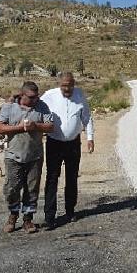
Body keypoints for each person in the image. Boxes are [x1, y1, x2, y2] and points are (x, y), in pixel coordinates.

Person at [0, 81, 54, 234]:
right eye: (32, 97)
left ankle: (28, 219)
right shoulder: (10, 107)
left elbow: (50, 126)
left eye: (36, 96)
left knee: (32, 189)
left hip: (34, 156)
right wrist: (18, 128)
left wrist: (36, 126)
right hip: (14, 156)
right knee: (11, 189)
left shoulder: (41, 106)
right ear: (22, 95)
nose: (35, 100)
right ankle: (13, 215)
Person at [40, 71, 94, 229]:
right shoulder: (49, 95)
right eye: (64, 86)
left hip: (73, 143)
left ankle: (70, 211)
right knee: (52, 178)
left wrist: (90, 138)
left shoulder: (80, 95)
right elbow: (35, 104)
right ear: (59, 84)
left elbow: (87, 117)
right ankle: (50, 217)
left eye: (70, 85)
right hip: (54, 143)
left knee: (71, 178)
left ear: (74, 84)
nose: (67, 89)